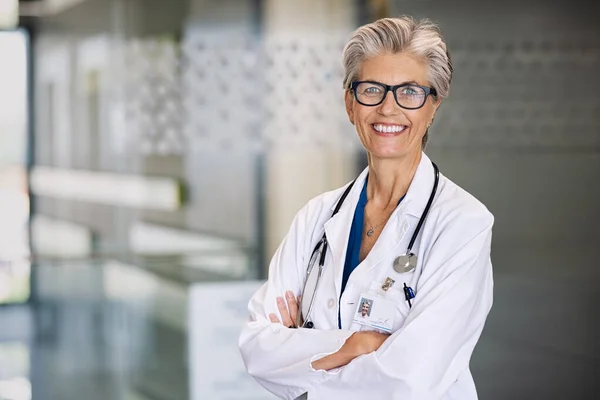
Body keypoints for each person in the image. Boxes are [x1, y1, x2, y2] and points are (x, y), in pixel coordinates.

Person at [239, 16, 494, 400]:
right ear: (350, 103)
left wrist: (306, 354)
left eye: (409, 92)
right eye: (372, 89)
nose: (388, 109)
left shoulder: (462, 224)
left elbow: (410, 379)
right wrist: (356, 345)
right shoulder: (317, 216)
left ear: (433, 106)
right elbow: (257, 348)